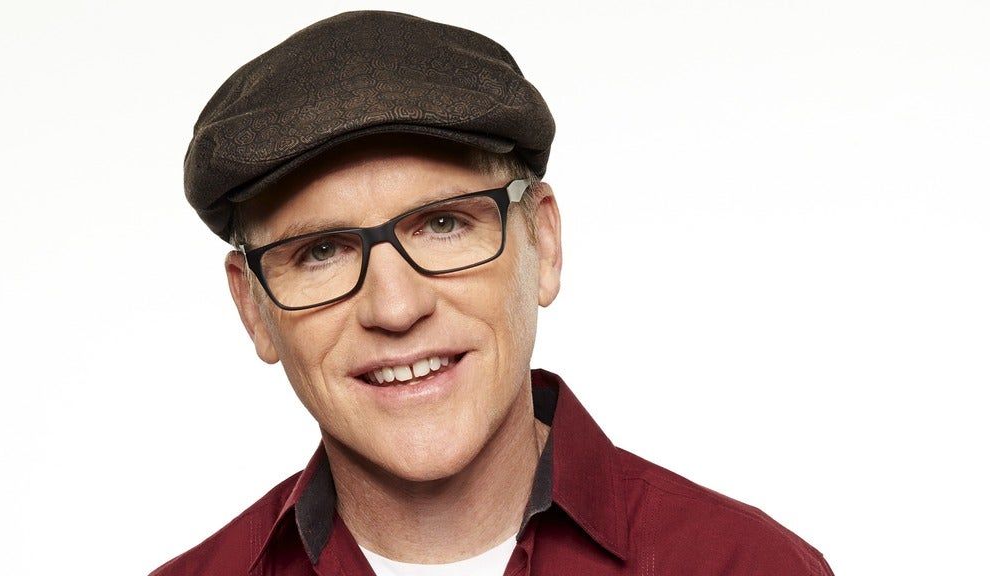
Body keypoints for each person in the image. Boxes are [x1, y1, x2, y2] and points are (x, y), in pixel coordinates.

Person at [152, 10, 834, 576]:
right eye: (321, 252)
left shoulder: (747, 565)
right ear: (254, 308)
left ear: (545, 244)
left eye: (443, 224)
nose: (396, 308)